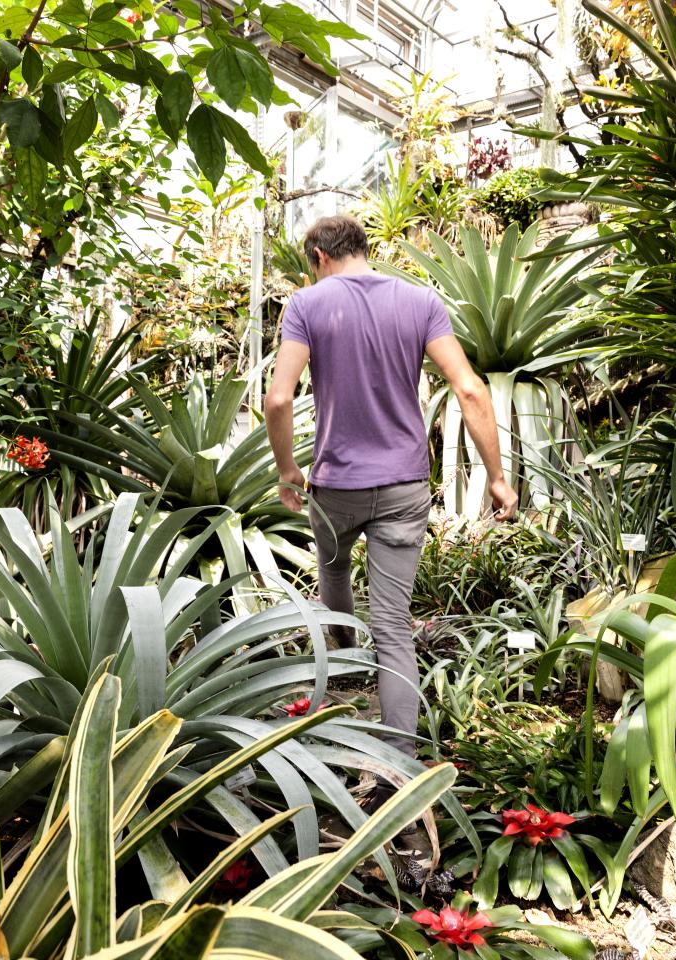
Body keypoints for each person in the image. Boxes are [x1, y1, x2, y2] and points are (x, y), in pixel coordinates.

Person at [264, 214, 517, 811]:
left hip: (337, 487)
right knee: (394, 623)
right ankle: (402, 767)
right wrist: (498, 478)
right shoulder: (421, 300)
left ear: (320, 256)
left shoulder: (305, 306)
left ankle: (338, 693)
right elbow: (472, 389)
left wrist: (286, 470)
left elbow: (278, 397)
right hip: (404, 484)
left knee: (333, 578)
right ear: (361, 251)